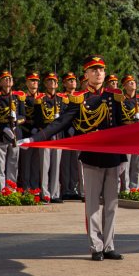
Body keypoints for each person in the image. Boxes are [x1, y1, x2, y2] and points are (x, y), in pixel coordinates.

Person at [21, 55, 126, 261]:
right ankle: (96, 246)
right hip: (92, 157)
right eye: (93, 70)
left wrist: (123, 157)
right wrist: (35, 138)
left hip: (113, 157)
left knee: (112, 204)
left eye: (101, 70)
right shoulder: (79, 99)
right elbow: (59, 123)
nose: (98, 73)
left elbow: (121, 128)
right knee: (93, 204)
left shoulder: (114, 97)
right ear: (85, 75)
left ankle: (109, 245)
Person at [0, 71, 26, 191]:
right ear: (0, 82)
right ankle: (0, 190)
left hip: (15, 134)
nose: (8, 80)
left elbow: (23, 117)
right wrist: (3, 128)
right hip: (0, 134)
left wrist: (15, 122)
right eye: (5, 78)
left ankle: (11, 189)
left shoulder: (18, 97)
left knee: (13, 164)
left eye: (10, 78)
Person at [33, 72, 67, 203]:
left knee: (56, 166)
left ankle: (54, 193)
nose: (52, 83)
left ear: (57, 84)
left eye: (54, 81)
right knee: (45, 165)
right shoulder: (40, 99)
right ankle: (45, 193)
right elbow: (37, 119)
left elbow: (66, 117)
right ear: (45, 84)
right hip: (45, 135)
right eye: (49, 81)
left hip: (58, 136)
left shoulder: (62, 100)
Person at [121, 74, 139, 191]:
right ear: (124, 86)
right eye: (129, 82)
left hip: (138, 136)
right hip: (127, 136)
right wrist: (131, 121)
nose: (133, 83)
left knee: (136, 165)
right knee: (126, 165)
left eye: (133, 81)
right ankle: (126, 189)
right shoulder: (122, 100)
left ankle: (134, 188)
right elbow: (120, 118)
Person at [59, 71, 82, 200]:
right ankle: (65, 188)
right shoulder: (62, 98)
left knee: (75, 162)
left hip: (77, 133)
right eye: (69, 80)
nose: (73, 82)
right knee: (65, 162)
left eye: (74, 80)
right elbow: (63, 116)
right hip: (65, 134)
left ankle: (73, 187)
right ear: (64, 83)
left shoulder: (80, 97)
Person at [20, 71, 41, 190]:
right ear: (27, 82)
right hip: (25, 131)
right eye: (32, 81)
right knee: (26, 162)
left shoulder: (41, 97)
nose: (34, 83)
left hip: (38, 132)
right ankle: (26, 187)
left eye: (36, 81)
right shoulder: (23, 97)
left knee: (36, 163)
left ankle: (35, 187)